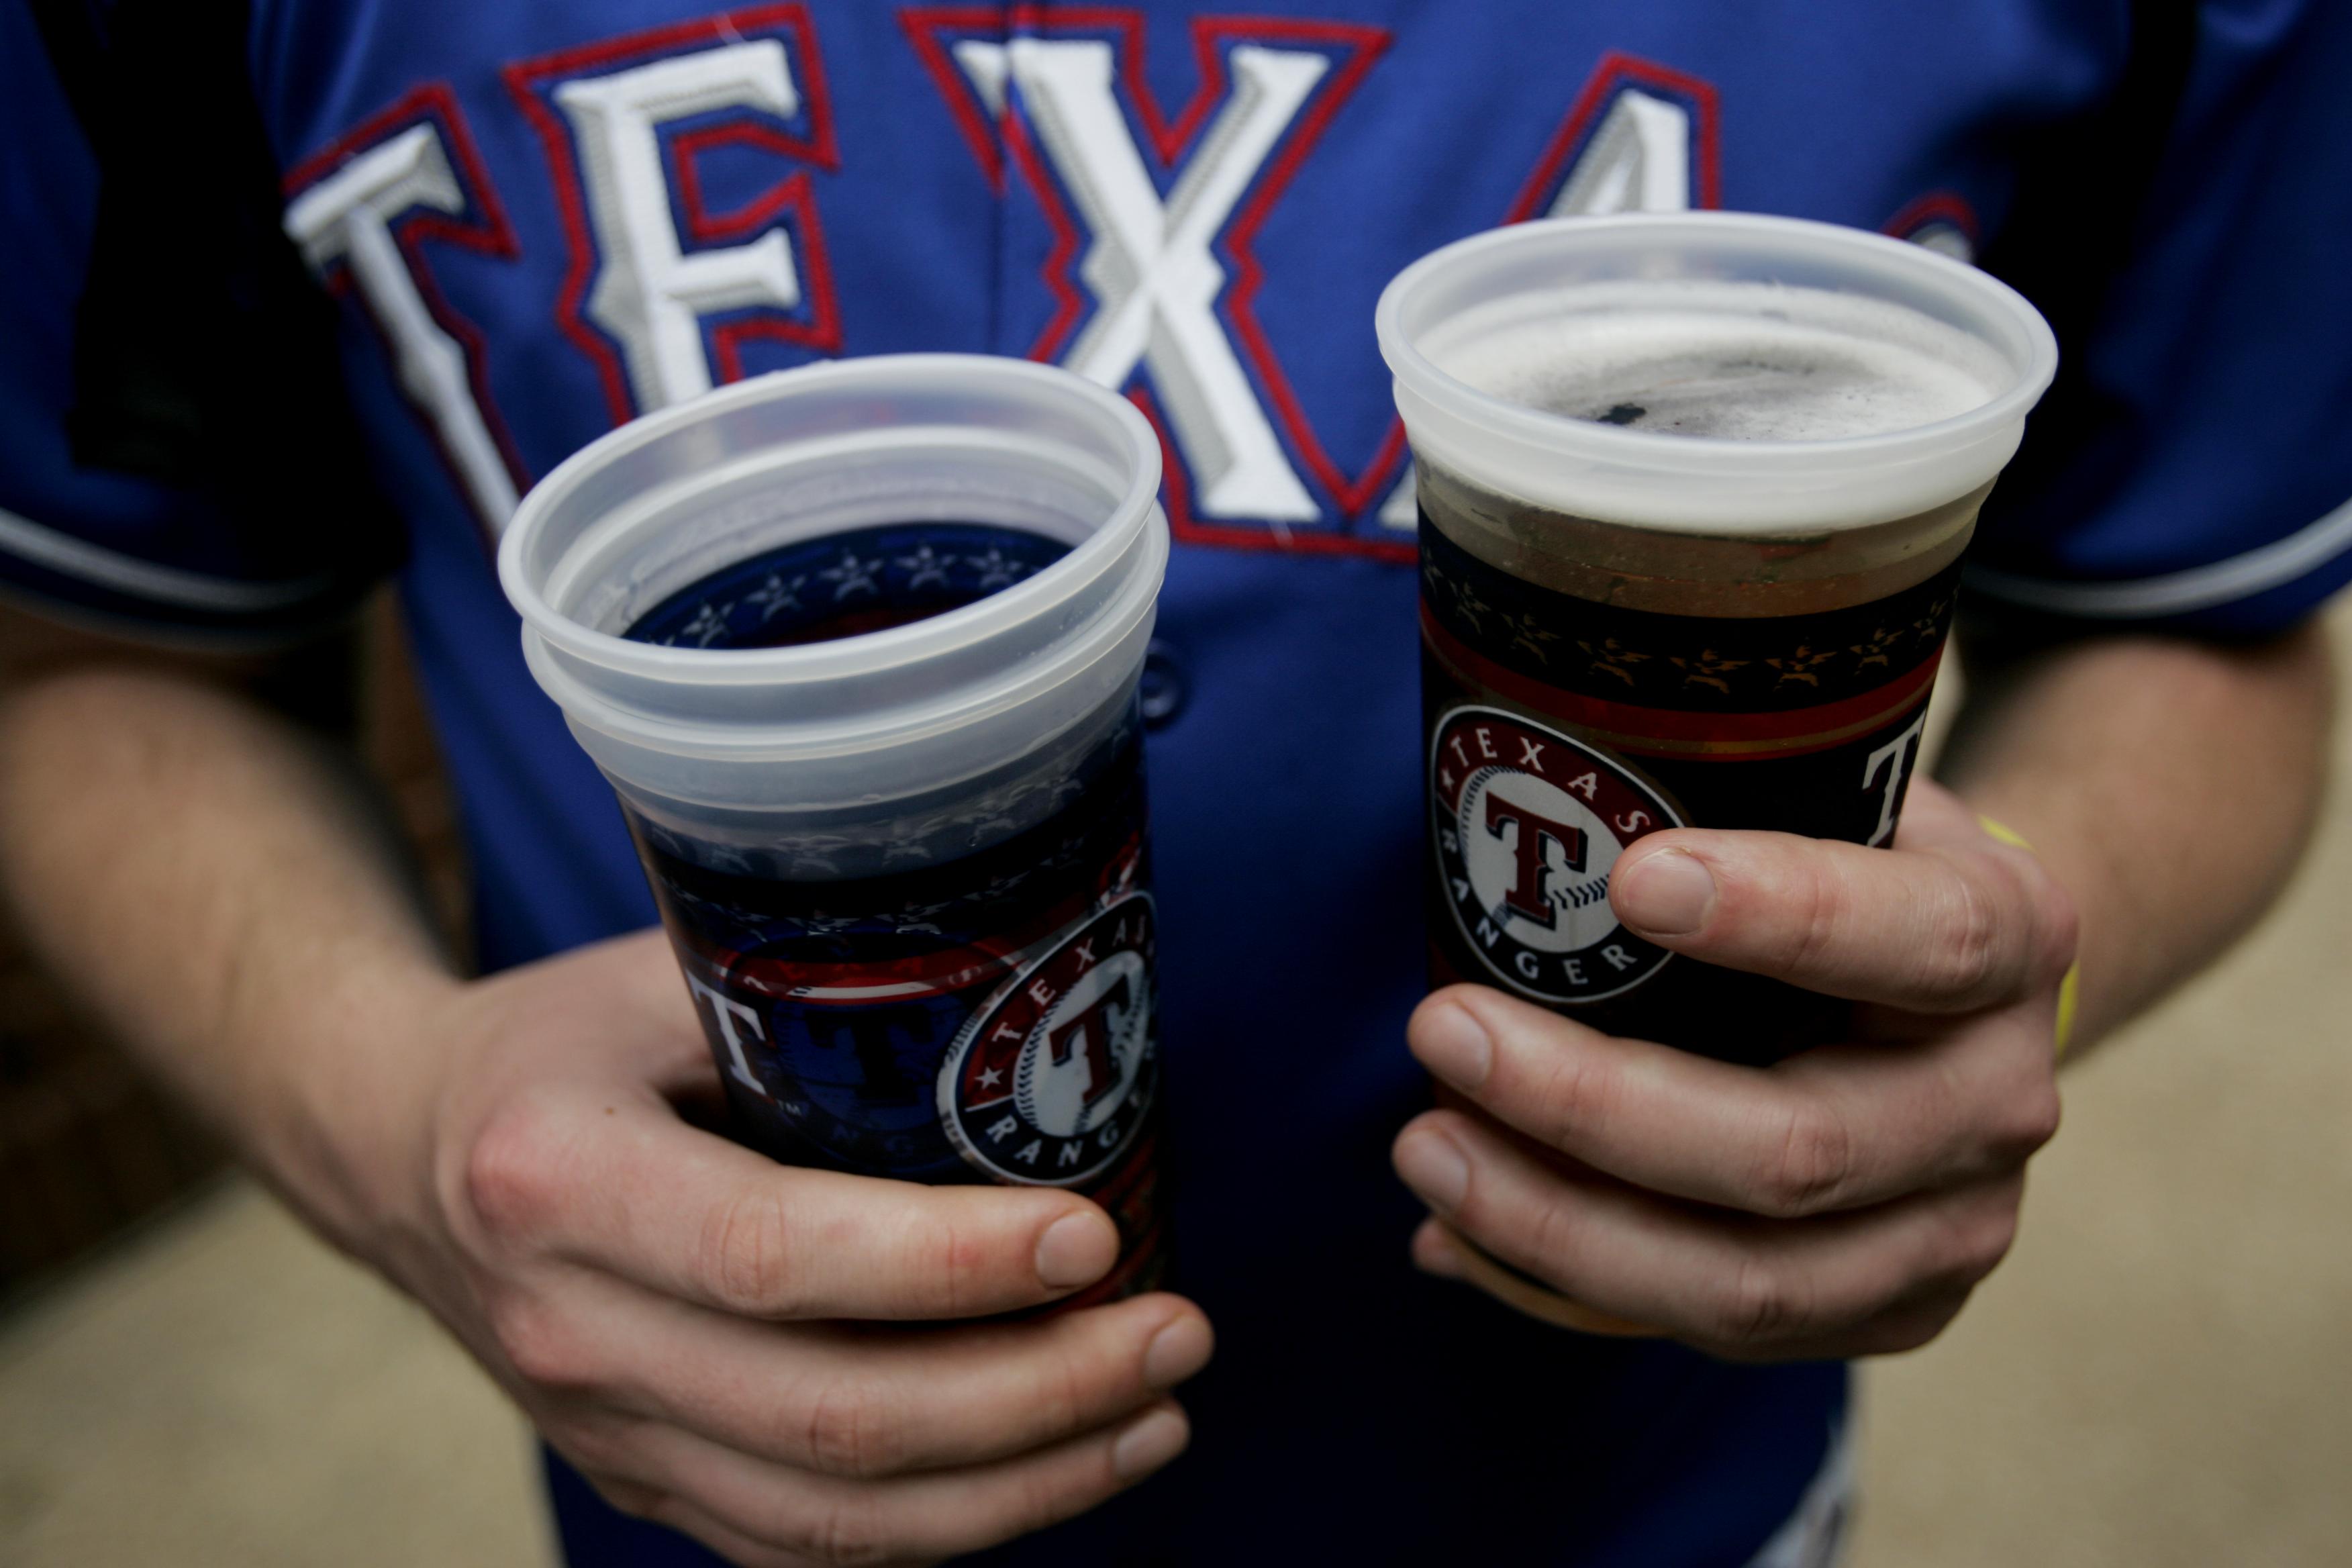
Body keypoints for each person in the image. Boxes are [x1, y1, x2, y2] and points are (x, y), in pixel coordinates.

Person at [2, 1, 2347, 1563]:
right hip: (731, 1515)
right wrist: (383, 1111)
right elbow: (85, 658)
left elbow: (2211, 620)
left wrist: (2008, 960)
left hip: (1637, 1486)